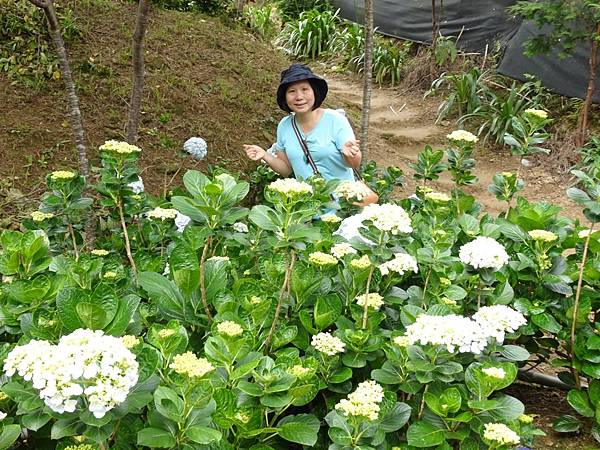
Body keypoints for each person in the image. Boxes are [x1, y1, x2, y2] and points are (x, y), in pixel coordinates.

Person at [243, 64, 362, 181]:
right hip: (308, 200)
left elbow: (354, 164)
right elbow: (286, 169)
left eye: (305, 89)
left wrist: (350, 155)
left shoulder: (335, 120)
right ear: (285, 97)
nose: (299, 97)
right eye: (292, 91)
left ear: (314, 92)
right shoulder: (285, 125)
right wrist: (264, 154)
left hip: (342, 199)